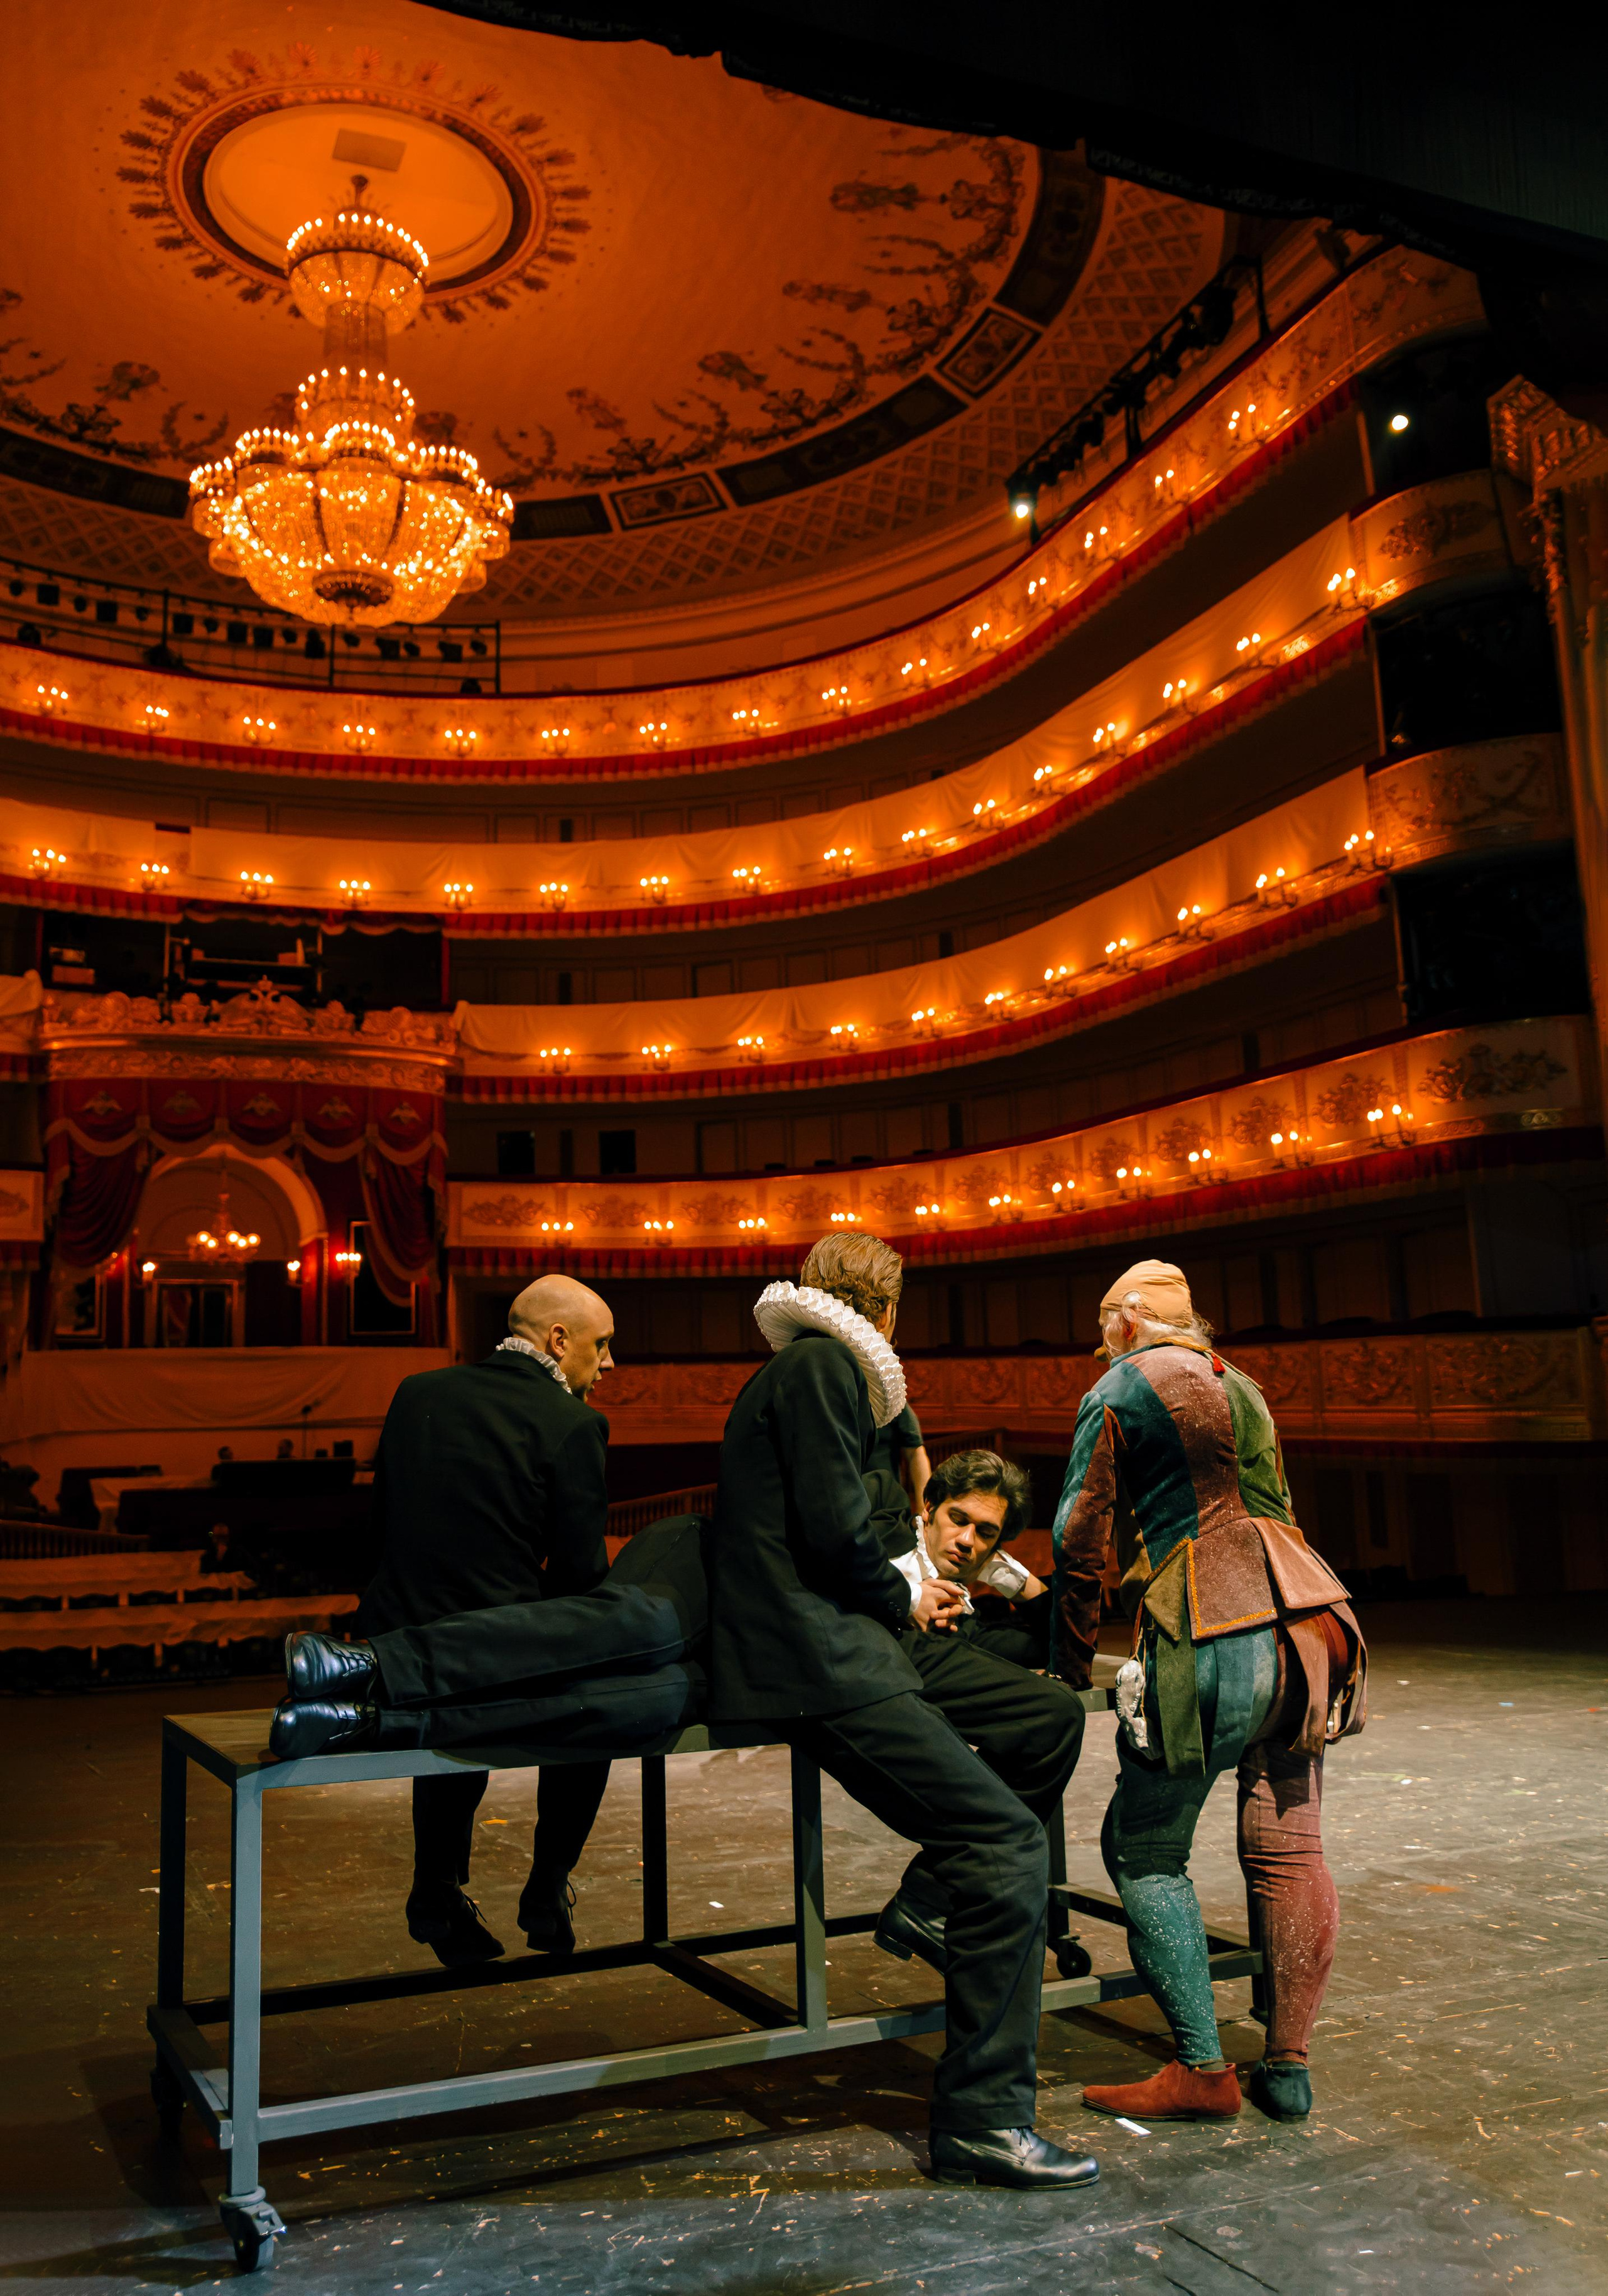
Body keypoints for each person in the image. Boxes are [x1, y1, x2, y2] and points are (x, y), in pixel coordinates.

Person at [707, 1232, 1099, 2192]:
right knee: (1007, 1846)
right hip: (822, 1655)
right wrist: (900, 1599)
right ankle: (983, 2121)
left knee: (1045, 1725)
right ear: (887, 1311)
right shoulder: (827, 1368)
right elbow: (838, 1532)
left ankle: (930, 1902)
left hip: (839, 1642)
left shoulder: (814, 1368)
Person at [1051, 1259, 1366, 2125]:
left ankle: (1201, 2066)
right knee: (1291, 1848)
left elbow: (1081, 1531)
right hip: (1308, 1628)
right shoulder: (1248, 1387)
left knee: (1148, 1849)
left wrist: (1069, 1660)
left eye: (1106, 1320)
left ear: (1131, 1318)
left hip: (1214, 1633)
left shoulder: (1122, 1386)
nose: (1101, 1339)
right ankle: (1289, 2066)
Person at [274, 1274, 628, 1969]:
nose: (609, 1363)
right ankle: (548, 1884)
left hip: (395, 1645)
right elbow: (581, 1575)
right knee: (606, 1701)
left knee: (455, 1683)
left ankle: (436, 1888)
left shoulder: (417, 1392)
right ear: (558, 1341)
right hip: (484, 1661)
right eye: (603, 1344)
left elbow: (381, 1529)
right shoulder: (574, 1423)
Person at [865, 1449, 1086, 1978]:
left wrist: (1009, 1576)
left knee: (1053, 1718)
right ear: (929, 1509)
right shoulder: (883, 1541)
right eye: (958, 1520)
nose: (966, 1541)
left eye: (986, 1534)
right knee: (1053, 1714)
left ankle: (930, 1897)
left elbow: (1052, 1641)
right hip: (862, 1668)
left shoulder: (965, 1617)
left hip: (929, 1670)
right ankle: (935, 1897)